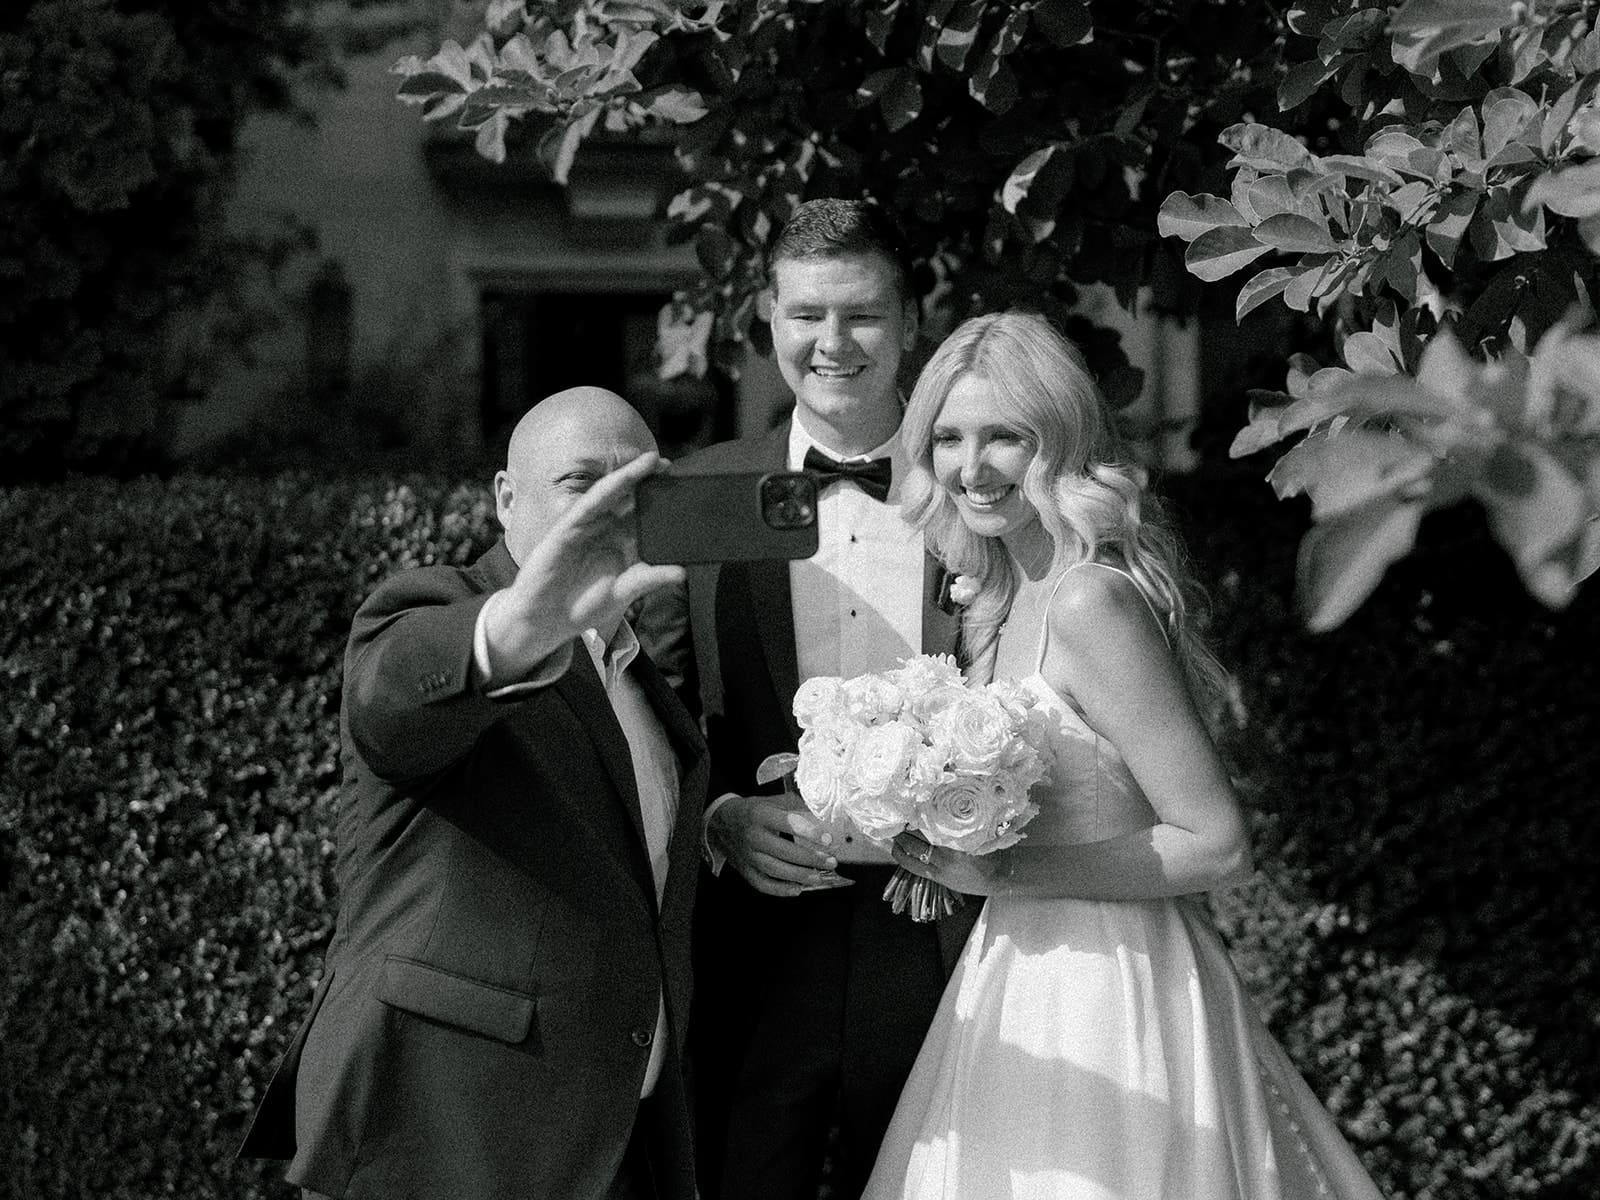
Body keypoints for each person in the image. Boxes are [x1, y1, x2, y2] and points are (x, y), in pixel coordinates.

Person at [862, 311, 1386, 1199]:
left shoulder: (1088, 602)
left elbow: (1216, 841)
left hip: (1114, 983)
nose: (970, 467)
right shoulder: (989, 600)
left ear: (1058, 444)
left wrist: (1005, 871)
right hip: (1011, 971)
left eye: (1004, 437)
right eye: (948, 437)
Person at [239, 387, 708, 1200]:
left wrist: (722, 824)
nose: (606, 507)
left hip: (611, 1149)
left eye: (630, 484)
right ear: (505, 499)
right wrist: (515, 630)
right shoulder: (437, 611)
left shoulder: (643, 677)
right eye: (578, 482)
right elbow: (391, 706)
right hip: (438, 1136)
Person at [671, 197, 981, 1200]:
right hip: (759, 946)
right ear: (768, 318)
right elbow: (655, 708)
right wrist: (719, 819)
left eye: (861, 315)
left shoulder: (976, 495)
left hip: (942, 934)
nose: (832, 342)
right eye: (807, 314)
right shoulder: (698, 495)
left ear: (908, 323)